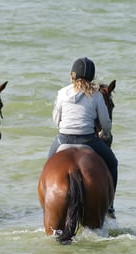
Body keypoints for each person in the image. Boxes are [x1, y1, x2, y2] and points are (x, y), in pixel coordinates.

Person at [47, 57, 118, 215]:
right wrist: (105, 134)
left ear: (72, 75)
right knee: (113, 163)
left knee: (48, 166)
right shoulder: (97, 95)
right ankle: (110, 205)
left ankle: (47, 202)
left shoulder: (62, 93)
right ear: (91, 77)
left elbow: (56, 120)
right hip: (88, 140)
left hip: (63, 139)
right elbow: (105, 122)